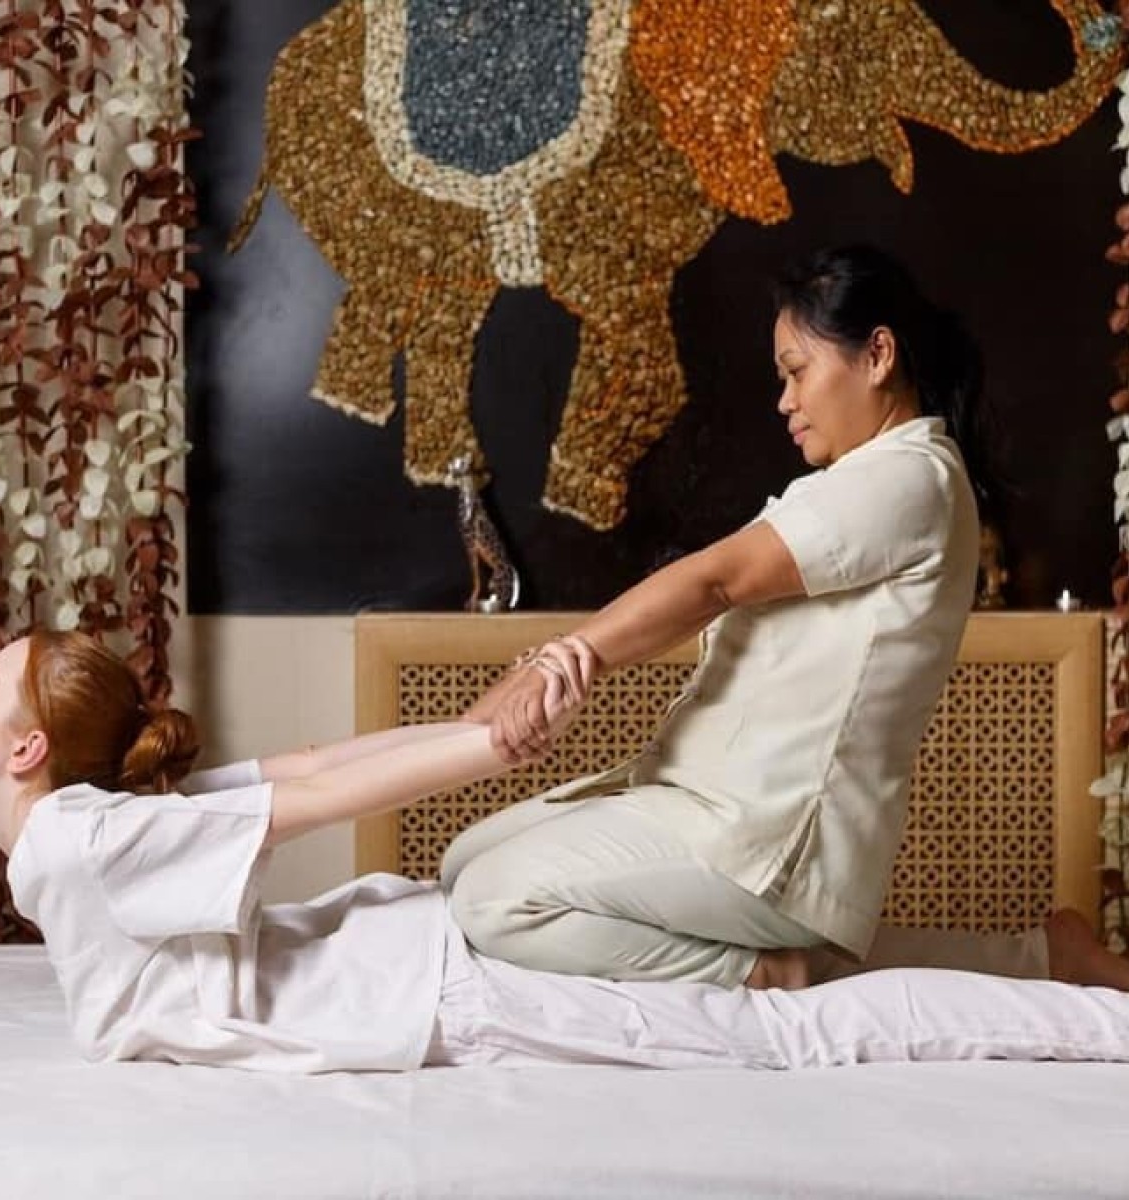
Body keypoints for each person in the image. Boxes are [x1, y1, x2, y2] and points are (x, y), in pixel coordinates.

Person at [0, 626, 1129, 1075]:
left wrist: (487, 742)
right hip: (423, 946)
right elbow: (308, 768)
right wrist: (478, 734)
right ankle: (1044, 960)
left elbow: (316, 789)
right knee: (779, 988)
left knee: (785, 1033)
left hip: (447, 985)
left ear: (30, 748)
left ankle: (1095, 1022)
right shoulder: (95, 831)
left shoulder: (79, 841)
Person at [439, 243, 1095, 992]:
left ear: (878, 355)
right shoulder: (863, 481)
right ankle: (1044, 959)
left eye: (797, 371)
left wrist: (556, 663)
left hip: (766, 837)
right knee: (463, 862)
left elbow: (715, 581)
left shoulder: (910, 479)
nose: (784, 401)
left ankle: (766, 973)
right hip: (701, 803)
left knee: (493, 900)